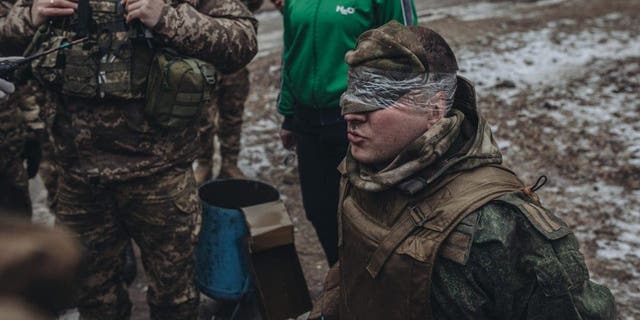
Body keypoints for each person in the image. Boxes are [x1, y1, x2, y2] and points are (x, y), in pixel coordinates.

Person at [310, 21, 616, 319]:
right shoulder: (361, 172)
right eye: (352, 96)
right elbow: (353, 274)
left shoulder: (500, 226)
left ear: (433, 110)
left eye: (376, 99)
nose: (350, 114)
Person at [2, 1, 258, 319]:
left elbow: (243, 40)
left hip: (159, 176)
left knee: (174, 300)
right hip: (79, 179)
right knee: (93, 298)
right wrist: (28, 18)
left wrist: (167, 18)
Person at [275, 0, 418, 266]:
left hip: (358, 117)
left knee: (369, 214)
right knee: (320, 210)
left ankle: (377, 287)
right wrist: (288, 114)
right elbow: (290, 52)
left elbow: (406, 49)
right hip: (308, 121)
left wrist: (397, 116)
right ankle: (339, 280)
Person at [195, 0, 264, 183]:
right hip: (201, 56)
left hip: (233, 56)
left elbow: (255, 5)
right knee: (202, 118)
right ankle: (204, 163)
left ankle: (229, 163)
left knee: (233, 114)